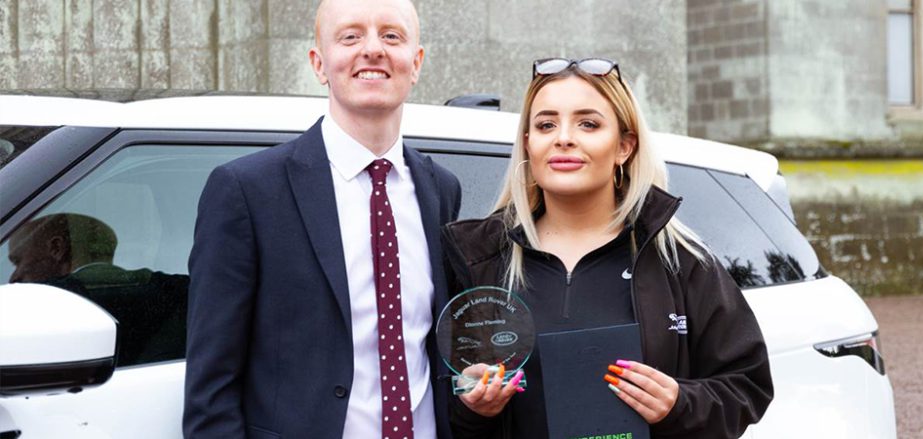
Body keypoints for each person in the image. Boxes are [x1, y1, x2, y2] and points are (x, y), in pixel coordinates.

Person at [442, 58, 773, 438]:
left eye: (589, 124)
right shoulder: (476, 258)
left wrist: (680, 404)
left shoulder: (680, 260)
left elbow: (748, 385)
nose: (563, 138)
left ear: (624, 147)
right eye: (546, 124)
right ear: (529, 145)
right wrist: (471, 408)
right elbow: (426, 399)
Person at [182, 0, 461, 437]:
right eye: (350, 36)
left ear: (417, 62)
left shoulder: (440, 189)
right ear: (319, 63)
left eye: (392, 36)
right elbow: (211, 387)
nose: (372, 49)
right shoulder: (247, 191)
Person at [8, 213, 189, 365]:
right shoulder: (176, 290)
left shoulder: (51, 304)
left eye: (17, 261)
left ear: (57, 248)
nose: (13, 277)